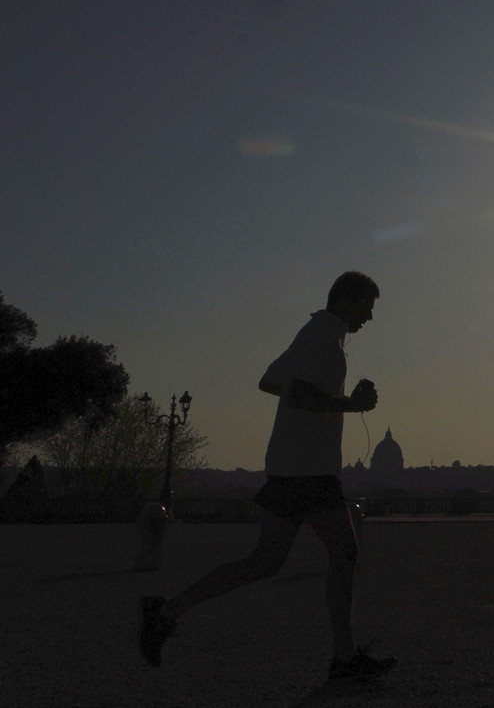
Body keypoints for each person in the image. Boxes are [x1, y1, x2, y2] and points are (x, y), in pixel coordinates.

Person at [139, 271, 396, 683]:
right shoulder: (322, 340)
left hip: (291, 466)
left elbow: (271, 382)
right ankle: (344, 658)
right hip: (309, 469)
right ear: (346, 300)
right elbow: (297, 394)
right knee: (341, 554)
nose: (369, 316)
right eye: (367, 307)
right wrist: (353, 405)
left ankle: (167, 611)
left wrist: (324, 405)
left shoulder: (311, 334)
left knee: (265, 562)